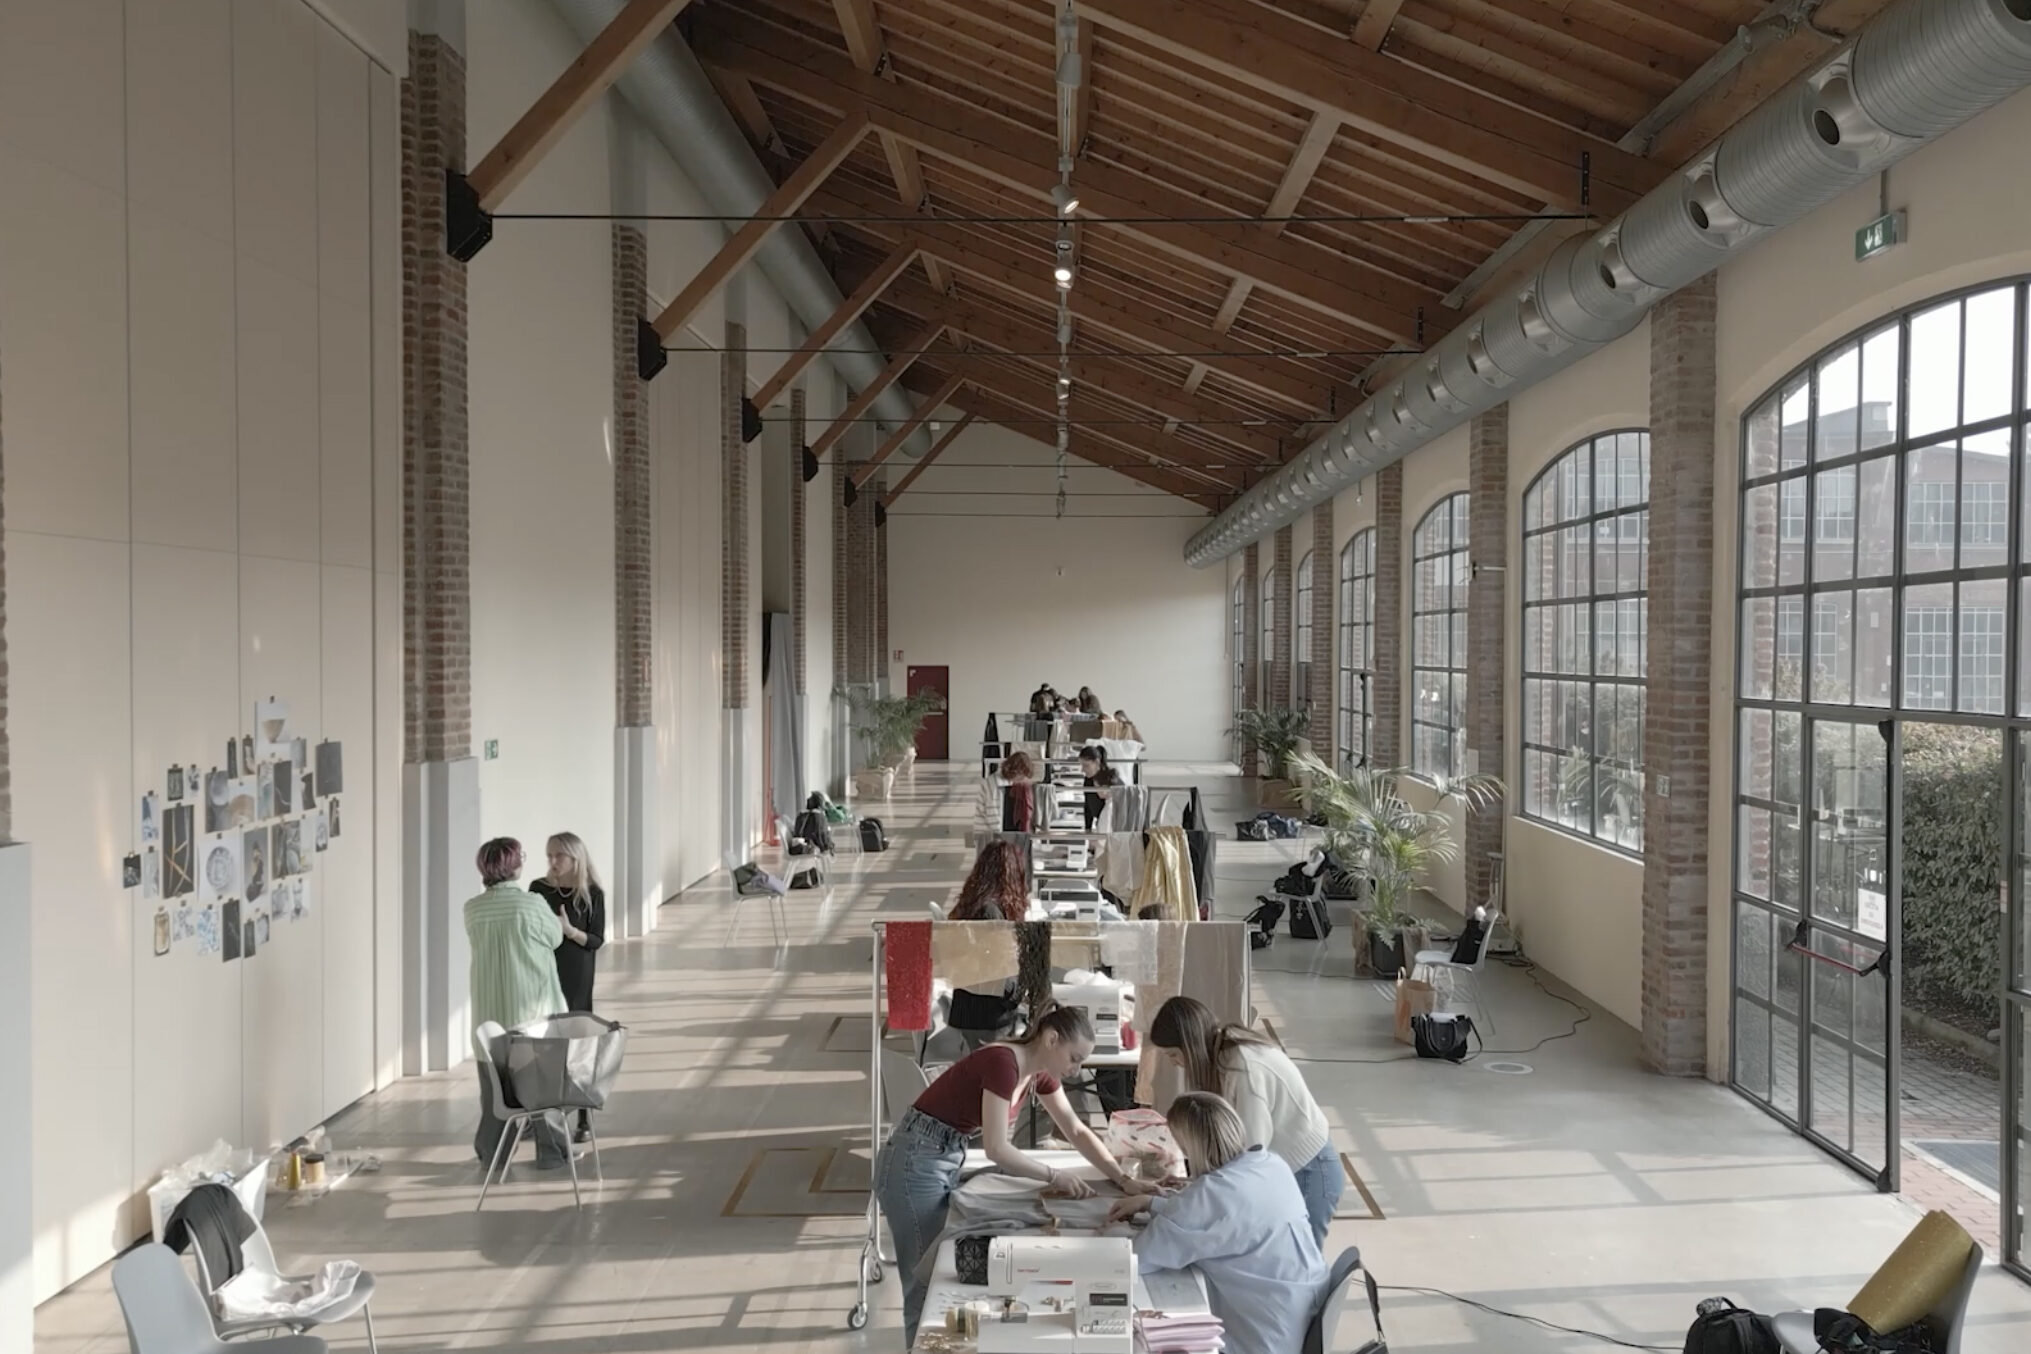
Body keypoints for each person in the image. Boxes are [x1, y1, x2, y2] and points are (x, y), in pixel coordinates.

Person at [872, 1007, 1156, 1347]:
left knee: (935, 1272)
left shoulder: (1037, 1073)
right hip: (914, 1163)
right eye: (1074, 1058)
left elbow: (1077, 1130)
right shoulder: (1003, 1064)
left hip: (940, 1155)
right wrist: (1055, 1176)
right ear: (1052, 1039)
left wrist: (1124, 1180)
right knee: (924, 1282)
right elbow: (996, 1148)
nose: (1076, 1070)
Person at [1110, 1092, 1327, 1354]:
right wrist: (1152, 1203)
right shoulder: (1270, 1164)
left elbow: (1136, 1260)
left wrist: (1103, 1237)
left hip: (1262, 1339)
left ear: (1188, 1147)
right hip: (1299, 1316)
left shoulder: (1209, 1195)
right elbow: (1226, 1218)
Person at [1148, 996, 1343, 1245]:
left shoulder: (1243, 1069)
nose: (1175, 1063)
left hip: (1308, 1171)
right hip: (1287, 1169)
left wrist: (1191, 1194)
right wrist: (1194, 1185)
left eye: (1174, 1054)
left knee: (1294, 1261)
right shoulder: (1224, 1054)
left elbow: (1248, 1160)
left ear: (1191, 1045)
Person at [464, 837, 572, 1170]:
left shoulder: (473, 909)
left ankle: (493, 1155)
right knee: (544, 1092)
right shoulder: (532, 903)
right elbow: (555, 938)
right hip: (533, 1016)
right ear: (514, 865)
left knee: (495, 1095)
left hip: (490, 1019)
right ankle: (553, 1154)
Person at [531, 831, 606, 1143]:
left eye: (558, 855)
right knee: (544, 1046)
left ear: (575, 858)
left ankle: (583, 1118)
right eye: (549, 855)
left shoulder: (592, 893)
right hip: (543, 972)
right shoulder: (538, 889)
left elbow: (596, 940)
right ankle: (540, 1117)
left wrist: (569, 930)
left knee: (577, 1047)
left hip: (577, 976)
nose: (552, 861)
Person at [944, 840, 1029, 1047]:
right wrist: (1020, 992)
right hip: (987, 1018)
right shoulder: (990, 913)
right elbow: (998, 970)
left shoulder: (974, 903)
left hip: (970, 1009)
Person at [1078, 745, 1119, 830]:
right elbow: (1087, 806)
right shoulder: (1088, 781)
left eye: (1086, 766)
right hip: (1101, 822)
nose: (1082, 770)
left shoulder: (1111, 778)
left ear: (1097, 762)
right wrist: (1088, 829)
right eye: (1082, 765)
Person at [1000, 749, 1040, 832]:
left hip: (1017, 826)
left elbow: (1027, 813)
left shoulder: (1023, 787)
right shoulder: (1024, 786)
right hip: (1018, 826)